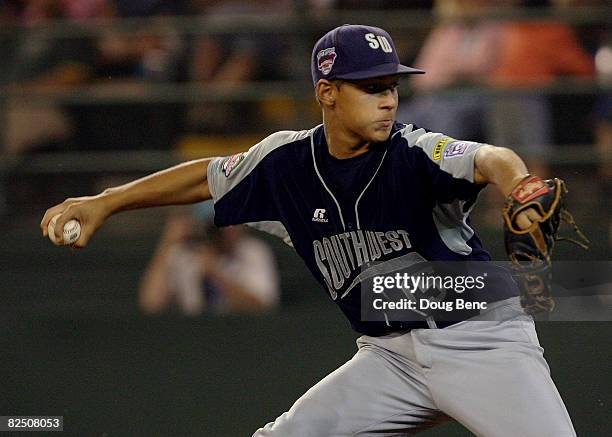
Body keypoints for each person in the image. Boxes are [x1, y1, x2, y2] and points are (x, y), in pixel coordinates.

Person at [42, 24, 577, 436]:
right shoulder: (285, 163)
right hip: (389, 358)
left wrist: (521, 185)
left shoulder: (414, 151)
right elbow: (203, 178)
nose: (388, 98)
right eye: (370, 87)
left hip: (480, 340)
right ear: (327, 92)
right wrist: (106, 202)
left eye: (391, 85)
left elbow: (491, 157)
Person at [138, 214, 280, 315]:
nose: (231, 228)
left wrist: (216, 273)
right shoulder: (184, 252)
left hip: (241, 336)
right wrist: (168, 241)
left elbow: (262, 308)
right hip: (193, 337)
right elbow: (151, 304)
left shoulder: (253, 251)